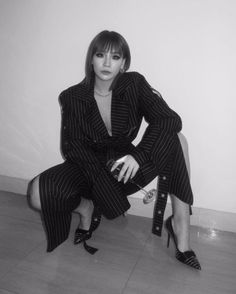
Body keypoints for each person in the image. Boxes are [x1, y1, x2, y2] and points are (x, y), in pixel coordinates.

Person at [27, 30, 201, 269]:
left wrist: (138, 156)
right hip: (87, 168)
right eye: (100, 55)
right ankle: (86, 208)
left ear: (124, 63)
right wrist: (106, 192)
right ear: (91, 59)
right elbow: (72, 148)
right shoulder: (72, 96)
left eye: (115, 57)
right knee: (37, 193)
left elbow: (169, 119)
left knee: (177, 139)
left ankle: (181, 226)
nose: (107, 63)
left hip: (125, 167)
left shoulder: (134, 84)